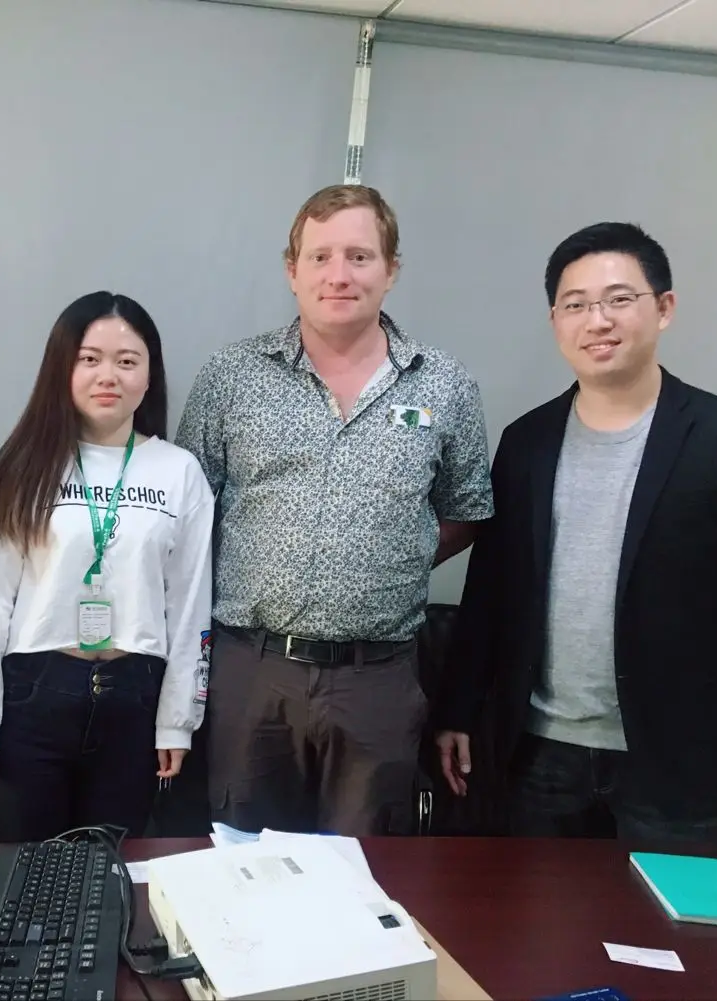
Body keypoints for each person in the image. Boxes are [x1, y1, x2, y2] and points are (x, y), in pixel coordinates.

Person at [435, 222, 717, 855]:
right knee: (535, 919)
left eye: (619, 299)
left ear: (664, 308)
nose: (597, 321)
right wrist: (457, 711)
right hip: (539, 756)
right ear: (556, 321)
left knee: (673, 920)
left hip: (679, 763)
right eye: (576, 305)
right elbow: (490, 591)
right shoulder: (527, 443)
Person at [174, 184, 494, 837]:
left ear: (391, 269)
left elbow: (466, 509)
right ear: (292, 270)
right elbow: (187, 512)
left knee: (363, 869)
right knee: (243, 864)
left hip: (378, 680)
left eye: (359, 256)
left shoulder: (445, 383)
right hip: (252, 671)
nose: (339, 275)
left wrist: (390, 559)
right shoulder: (232, 376)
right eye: (320, 257)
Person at [0, 291, 213, 841]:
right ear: (62, 368)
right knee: (24, 864)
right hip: (34, 696)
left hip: (134, 699)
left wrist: (177, 720)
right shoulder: (23, 467)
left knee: (110, 867)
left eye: (127, 360)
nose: (107, 376)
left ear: (149, 375)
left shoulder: (179, 471)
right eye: (89, 358)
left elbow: (190, 606)